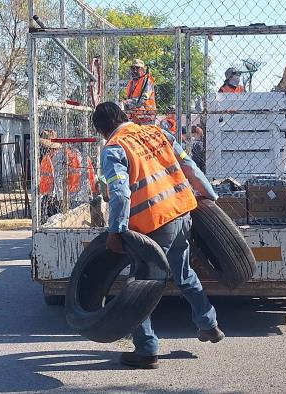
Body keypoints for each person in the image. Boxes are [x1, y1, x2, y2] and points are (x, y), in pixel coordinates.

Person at [92, 102, 224, 369]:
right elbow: (190, 168)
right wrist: (210, 196)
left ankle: (146, 350)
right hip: (181, 213)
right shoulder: (158, 132)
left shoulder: (114, 148)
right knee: (184, 274)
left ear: (102, 131)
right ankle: (208, 324)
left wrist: (115, 231)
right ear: (124, 117)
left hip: (151, 227)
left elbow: (119, 193)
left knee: (141, 286)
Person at [38, 129, 65, 221]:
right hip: (48, 194)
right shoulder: (47, 158)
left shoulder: (58, 158)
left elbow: (57, 178)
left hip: (55, 195)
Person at [123, 59, 157, 125]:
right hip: (134, 117)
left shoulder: (147, 80)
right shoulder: (131, 82)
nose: (134, 70)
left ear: (142, 70)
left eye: (137, 68)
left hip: (147, 116)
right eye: (132, 68)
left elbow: (143, 99)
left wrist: (127, 102)